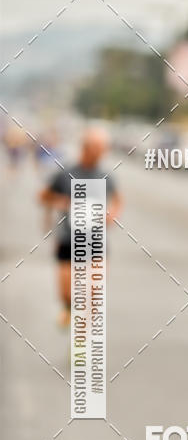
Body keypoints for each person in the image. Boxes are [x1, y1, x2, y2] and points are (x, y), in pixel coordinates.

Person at [39, 127, 121, 326]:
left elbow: (118, 200)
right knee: (67, 294)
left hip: (96, 241)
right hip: (68, 240)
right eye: (99, 148)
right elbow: (43, 196)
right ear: (86, 147)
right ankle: (68, 308)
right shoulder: (66, 173)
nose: (102, 152)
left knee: (94, 290)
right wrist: (61, 202)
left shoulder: (106, 176)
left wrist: (111, 215)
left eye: (104, 148)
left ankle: (84, 331)